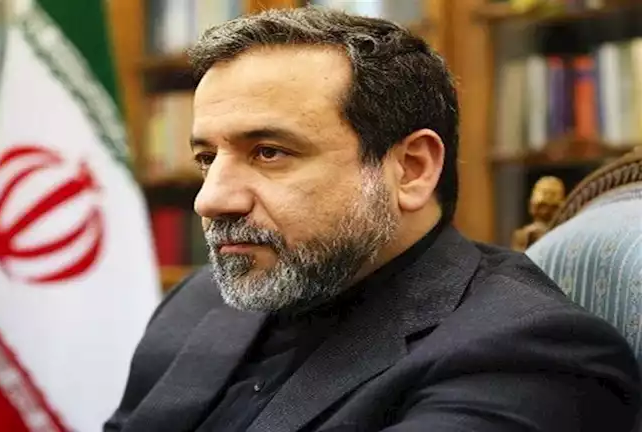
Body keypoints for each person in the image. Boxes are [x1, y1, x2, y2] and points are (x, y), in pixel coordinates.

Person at [105, 6, 641, 432]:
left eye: (269, 152)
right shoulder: (200, 299)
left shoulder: (525, 354)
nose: (210, 199)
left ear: (411, 169)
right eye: (207, 158)